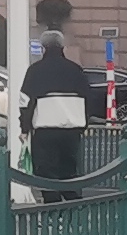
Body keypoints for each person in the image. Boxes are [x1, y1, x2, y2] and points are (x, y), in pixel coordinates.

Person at [23, 22, 93, 188]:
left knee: (46, 172)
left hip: (44, 129)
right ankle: (72, 199)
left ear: (43, 47)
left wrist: (25, 127)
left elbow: (25, 101)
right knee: (69, 171)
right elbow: (88, 98)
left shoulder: (36, 70)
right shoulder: (75, 70)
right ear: (63, 47)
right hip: (71, 129)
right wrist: (84, 123)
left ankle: (52, 201)